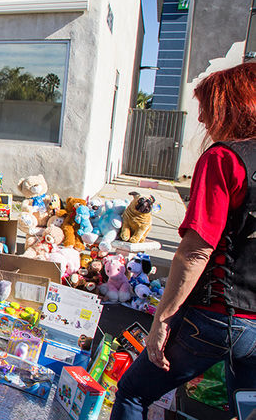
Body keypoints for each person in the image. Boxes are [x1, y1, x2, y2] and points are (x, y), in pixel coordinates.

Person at [111, 62, 256, 420]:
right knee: (245, 408)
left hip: (218, 314)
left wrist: (163, 319)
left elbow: (195, 251)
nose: (204, 120)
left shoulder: (225, 158)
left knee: (132, 393)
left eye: (209, 108)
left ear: (233, 106)